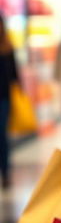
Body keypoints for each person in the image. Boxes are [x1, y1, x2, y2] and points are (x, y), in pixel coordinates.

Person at [0, 13, 18, 188]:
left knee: (2, 137)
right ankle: (5, 172)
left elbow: (14, 75)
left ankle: (5, 172)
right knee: (2, 138)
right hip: (4, 97)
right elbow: (14, 76)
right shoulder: (7, 47)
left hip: (4, 98)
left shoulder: (7, 47)